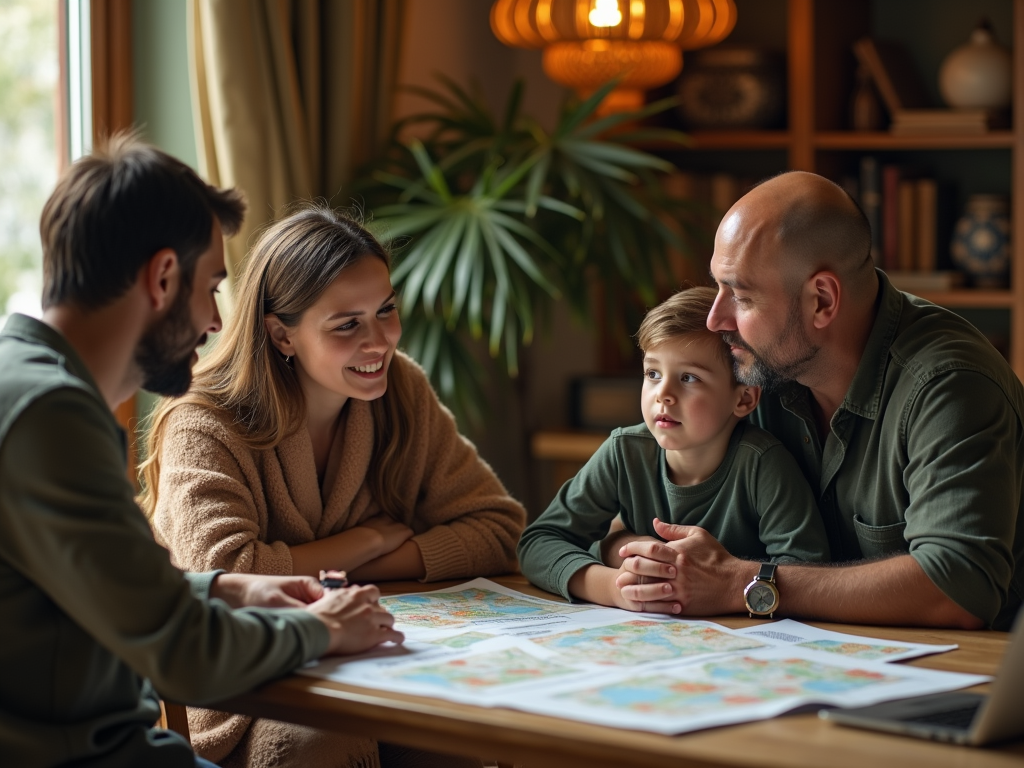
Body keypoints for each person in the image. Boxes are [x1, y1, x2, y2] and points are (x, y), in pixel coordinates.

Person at [0, 135, 403, 768]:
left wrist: (229, 590)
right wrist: (325, 628)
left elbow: (113, 593)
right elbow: (179, 653)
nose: (217, 321)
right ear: (162, 277)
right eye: (212, 286)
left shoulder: (23, 386)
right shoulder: (49, 415)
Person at [142, 204, 526, 767]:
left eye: (386, 311)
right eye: (347, 324)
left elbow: (499, 528)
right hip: (250, 687)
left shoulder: (403, 391)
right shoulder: (204, 420)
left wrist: (346, 572)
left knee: (451, 741)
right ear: (282, 335)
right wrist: (366, 540)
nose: (379, 342)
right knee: (322, 744)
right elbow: (223, 577)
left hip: (376, 654)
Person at [615, 170, 1024, 630]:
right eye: (718, 287)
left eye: (742, 296)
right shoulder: (758, 366)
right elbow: (630, 516)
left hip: (970, 676)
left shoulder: (949, 386)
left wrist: (741, 584)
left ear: (822, 300)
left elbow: (957, 589)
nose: (715, 320)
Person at [518, 286, 830, 611]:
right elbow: (538, 543)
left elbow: (807, 574)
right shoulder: (624, 452)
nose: (663, 394)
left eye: (689, 378)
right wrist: (614, 588)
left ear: (743, 398)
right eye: (653, 373)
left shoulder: (763, 465)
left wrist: (723, 589)